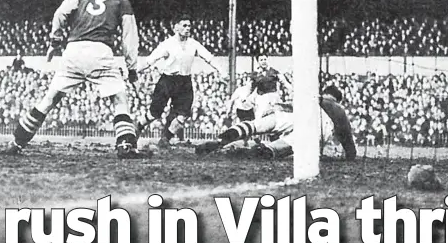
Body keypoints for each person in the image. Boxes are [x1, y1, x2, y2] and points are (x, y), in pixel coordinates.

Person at [2, 0, 146, 158]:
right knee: (119, 99)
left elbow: (60, 14)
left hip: (74, 50)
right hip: (100, 51)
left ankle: (17, 143)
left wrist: (55, 41)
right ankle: (126, 146)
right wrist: (132, 70)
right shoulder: (122, 1)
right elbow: (129, 39)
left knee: (50, 99)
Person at [135, 14, 225, 148]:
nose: (188, 28)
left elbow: (209, 58)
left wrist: (221, 71)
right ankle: (138, 126)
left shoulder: (193, 44)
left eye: (189, 26)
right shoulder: (167, 44)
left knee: (183, 115)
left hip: (185, 82)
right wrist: (134, 71)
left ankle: (165, 139)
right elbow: (150, 60)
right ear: (176, 27)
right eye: (184, 25)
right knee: (154, 113)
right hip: (167, 81)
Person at [196, 85, 356, 161]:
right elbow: (347, 138)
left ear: (325, 92)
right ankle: (257, 151)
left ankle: (220, 140)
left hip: (297, 114)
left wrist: (276, 107)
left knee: (254, 126)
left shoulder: (316, 97)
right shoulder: (338, 109)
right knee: (280, 146)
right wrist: (350, 155)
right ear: (337, 98)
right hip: (319, 127)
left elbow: (293, 103)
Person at [250, 54, 292, 119]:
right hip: (261, 99)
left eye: (265, 59)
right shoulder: (254, 74)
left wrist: (292, 90)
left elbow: (285, 83)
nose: (263, 61)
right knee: (259, 117)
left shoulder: (274, 72)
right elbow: (250, 88)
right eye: (261, 60)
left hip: (273, 98)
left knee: (276, 117)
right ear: (258, 62)